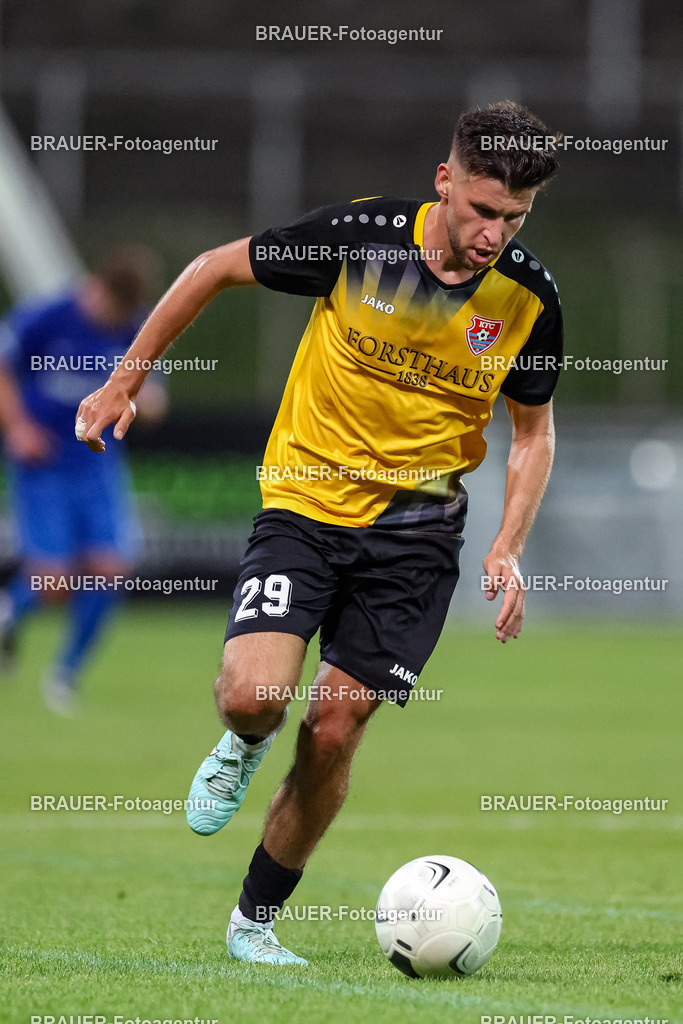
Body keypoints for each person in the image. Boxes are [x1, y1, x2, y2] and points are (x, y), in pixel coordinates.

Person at [75, 101, 563, 964]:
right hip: (304, 504)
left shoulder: (527, 299)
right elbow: (210, 268)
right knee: (252, 698)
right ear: (445, 181)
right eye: (483, 210)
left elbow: (532, 430)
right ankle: (243, 741)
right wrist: (123, 381)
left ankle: (253, 924)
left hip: (416, 535)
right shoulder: (359, 237)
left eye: (513, 219)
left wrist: (506, 545)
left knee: (335, 728)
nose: (493, 234)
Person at [0, 247, 166, 714]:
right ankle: (12, 607)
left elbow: (154, 396)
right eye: (110, 308)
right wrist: (17, 429)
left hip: (96, 466)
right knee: (53, 582)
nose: (111, 319)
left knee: (110, 572)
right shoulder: (47, 317)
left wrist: (145, 401)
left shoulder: (132, 329)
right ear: (96, 287)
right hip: (44, 464)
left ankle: (64, 675)